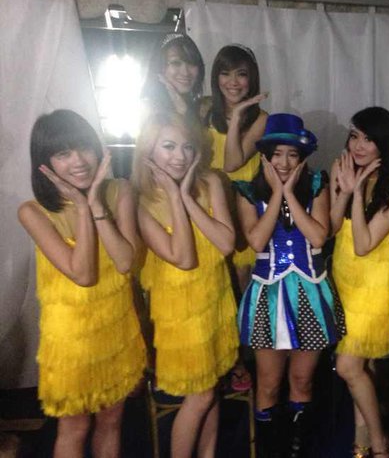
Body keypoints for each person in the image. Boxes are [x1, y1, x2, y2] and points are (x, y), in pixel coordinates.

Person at [18, 110, 146, 458]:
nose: (78, 161)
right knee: (74, 428)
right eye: (63, 153)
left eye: (84, 148)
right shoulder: (33, 212)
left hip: (117, 327)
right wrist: (80, 206)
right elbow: (84, 275)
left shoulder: (120, 191)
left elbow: (125, 262)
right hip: (71, 339)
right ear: (45, 163)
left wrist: (95, 205)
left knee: (112, 421)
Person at [234, 113, 345, 458]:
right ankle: (270, 449)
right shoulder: (247, 192)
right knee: (268, 383)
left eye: (292, 155)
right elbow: (256, 241)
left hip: (309, 292)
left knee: (302, 381)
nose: (284, 162)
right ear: (265, 156)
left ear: (302, 158)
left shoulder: (316, 186)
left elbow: (318, 236)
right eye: (277, 154)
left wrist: (289, 194)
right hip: (267, 294)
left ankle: (298, 449)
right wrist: (276, 193)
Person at [132, 111, 238, 458]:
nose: (179, 156)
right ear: (149, 150)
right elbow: (183, 258)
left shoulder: (209, 183)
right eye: (168, 146)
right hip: (179, 315)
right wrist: (175, 198)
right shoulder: (140, 202)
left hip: (214, 301)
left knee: (211, 389)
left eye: (187, 147)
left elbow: (226, 244)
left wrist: (188, 198)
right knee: (201, 395)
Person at [330, 107, 389, 458]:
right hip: (344, 281)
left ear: (383, 144)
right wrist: (345, 190)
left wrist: (357, 192)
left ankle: (379, 443)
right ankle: (361, 444)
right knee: (362, 369)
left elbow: (364, 244)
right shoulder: (342, 169)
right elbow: (331, 227)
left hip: (374, 290)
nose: (359, 146)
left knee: (348, 366)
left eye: (369, 139)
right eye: (355, 136)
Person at [206, 43, 268, 391]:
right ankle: (223, 359)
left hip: (243, 210)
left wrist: (239, 115)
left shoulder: (260, 119)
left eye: (241, 74)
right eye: (225, 73)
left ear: (252, 78)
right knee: (214, 289)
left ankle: (245, 360)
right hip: (209, 210)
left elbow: (232, 162)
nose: (233, 82)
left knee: (242, 290)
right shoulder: (205, 111)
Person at [141, 33, 205, 118]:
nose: (185, 72)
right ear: (159, 66)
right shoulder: (147, 109)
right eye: (176, 63)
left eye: (192, 63)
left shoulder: (203, 108)